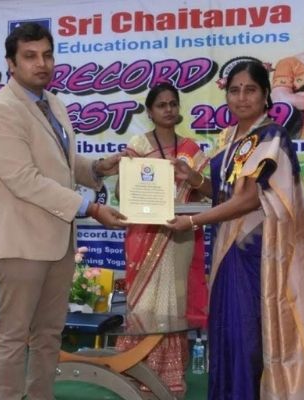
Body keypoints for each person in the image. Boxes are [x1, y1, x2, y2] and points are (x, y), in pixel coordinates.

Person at [167, 60, 304, 399]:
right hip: (228, 251)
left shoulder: (271, 136)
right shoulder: (231, 138)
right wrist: (194, 179)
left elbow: (248, 200)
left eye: (250, 90)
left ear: (265, 94)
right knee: (227, 334)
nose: (241, 98)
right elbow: (226, 194)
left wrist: (193, 221)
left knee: (247, 338)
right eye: (234, 90)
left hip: (257, 255)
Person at [0, 22, 127, 400]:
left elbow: (60, 162)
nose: (41, 64)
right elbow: (24, 179)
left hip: (57, 240)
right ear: (11, 63)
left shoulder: (52, 102)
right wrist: (90, 207)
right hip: (20, 243)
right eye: (30, 56)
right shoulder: (1, 110)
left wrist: (97, 169)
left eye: (47, 55)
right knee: (13, 335)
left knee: (48, 333)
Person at [114, 83, 210, 396]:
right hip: (145, 235)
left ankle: (170, 375)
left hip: (179, 235)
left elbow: (209, 192)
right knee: (144, 303)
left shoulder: (191, 150)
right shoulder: (139, 145)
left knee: (174, 305)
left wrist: (191, 176)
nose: (168, 110)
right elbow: (121, 193)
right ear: (150, 111)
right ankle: (136, 370)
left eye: (173, 104)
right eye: (161, 105)